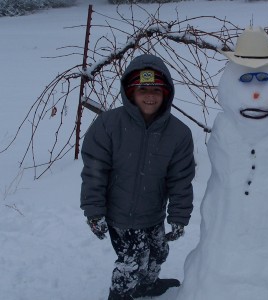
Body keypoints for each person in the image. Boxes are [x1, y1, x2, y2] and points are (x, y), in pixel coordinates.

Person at [80, 54, 196, 300]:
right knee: (132, 262)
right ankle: (120, 295)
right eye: (142, 89)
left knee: (158, 253)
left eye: (156, 89)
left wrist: (179, 216)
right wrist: (94, 211)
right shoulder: (108, 124)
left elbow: (180, 179)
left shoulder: (178, 133)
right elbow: (94, 171)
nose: (150, 95)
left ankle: (147, 285)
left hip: (152, 213)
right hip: (119, 215)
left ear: (166, 93)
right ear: (130, 92)